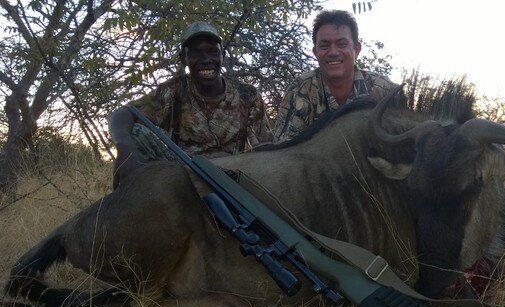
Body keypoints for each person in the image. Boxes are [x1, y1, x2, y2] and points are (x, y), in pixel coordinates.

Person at [109, 21, 270, 187]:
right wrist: (124, 148)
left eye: (212, 51)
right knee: (136, 133)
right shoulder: (172, 91)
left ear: (223, 55)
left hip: (234, 177)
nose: (206, 59)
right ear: (183, 59)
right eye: (196, 53)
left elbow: (264, 147)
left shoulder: (248, 95)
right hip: (185, 176)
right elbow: (123, 114)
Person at [273, 10, 404, 143]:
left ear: (356, 49)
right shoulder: (300, 89)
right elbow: (284, 151)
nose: (333, 52)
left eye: (342, 44)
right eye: (324, 46)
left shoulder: (385, 90)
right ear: (315, 52)